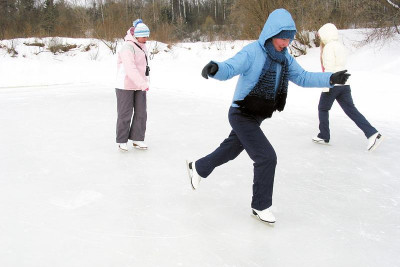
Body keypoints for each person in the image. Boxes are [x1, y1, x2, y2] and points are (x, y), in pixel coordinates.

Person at [186, 9, 350, 224]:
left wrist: (331, 78)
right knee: (266, 157)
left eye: (289, 39)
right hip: (241, 113)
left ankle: (198, 167)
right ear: (271, 34)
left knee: (231, 150)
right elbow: (231, 66)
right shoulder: (253, 52)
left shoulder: (285, 59)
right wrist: (216, 68)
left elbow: (303, 77)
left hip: (257, 115)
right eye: (283, 38)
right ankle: (260, 206)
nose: (286, 43)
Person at [312, 23, 383, 151]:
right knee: (351, 111)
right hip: (345, 84)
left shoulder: (328, 47)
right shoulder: (340, 45)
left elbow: (329, 68)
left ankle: (324, 136)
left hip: (333, 84)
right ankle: (372, 133)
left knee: (322, 108)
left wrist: (326, 85)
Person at [115, 19, 151, 151]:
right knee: (125, 113)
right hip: (125, 85)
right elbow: (130, 69)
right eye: (143, 36)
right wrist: (143, 83)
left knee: (141, 113)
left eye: (147, 35)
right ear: (136, 35)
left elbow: (143, 66)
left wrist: (144, 81)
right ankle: (121, 141)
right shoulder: (127, 47)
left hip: (140, 85)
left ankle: (137, 139)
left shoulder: (142, 45)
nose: (146, 38)